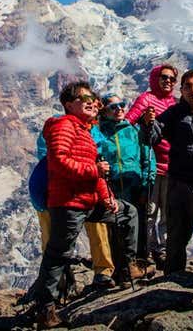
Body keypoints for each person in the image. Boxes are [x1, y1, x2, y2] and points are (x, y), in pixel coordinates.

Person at [32, 82, 143, 328]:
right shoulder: (64, 126)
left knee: (128, 213)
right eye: (84, 98)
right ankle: (45, 309)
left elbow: (97, 174)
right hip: (69, 203)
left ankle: (126, 268)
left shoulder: (85, 130)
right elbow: (60, 162)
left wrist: (107, 198)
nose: (93, 101)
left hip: (90, 201)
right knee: (58, 254)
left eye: (93, 97)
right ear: (69, 105)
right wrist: (94, 170)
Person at [141, 70, 193, 274]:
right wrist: (148, 124)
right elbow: (151, 139)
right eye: (188, 86)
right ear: (182, 90)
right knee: (176, 236)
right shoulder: (174, 113)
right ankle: (173, 279)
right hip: (178, 184)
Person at [29, 116, 117, 291]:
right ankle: (58, 283)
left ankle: (98, 272)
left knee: (59, 238)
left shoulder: (92, 132)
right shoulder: (61, 127)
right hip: (55, 191)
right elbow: (55, 161)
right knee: (56, 239)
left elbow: (98, 162)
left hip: (80, 189)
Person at [98, 93, 157, 278]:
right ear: (104, 111)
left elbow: (148, 156)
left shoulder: (133, 131)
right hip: (113, 190)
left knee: (138, 226)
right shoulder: (99, 134)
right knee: (116, 230)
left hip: (135, 187)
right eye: (113, 107)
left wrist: (147, 184)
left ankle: (138, 265)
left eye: (122, 105)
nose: (119, 109)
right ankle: (120, 270)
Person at [126, 64, 178, 269]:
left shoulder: (175, 103)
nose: (168, 81)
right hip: (151, 166)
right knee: (149, 211)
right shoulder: (146, 100)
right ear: (155, 78)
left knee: (167, 212)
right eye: (164, 77)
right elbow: (128, 124)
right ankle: (147, 250)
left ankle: (163, 249)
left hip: (172, 166)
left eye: (172, 79)